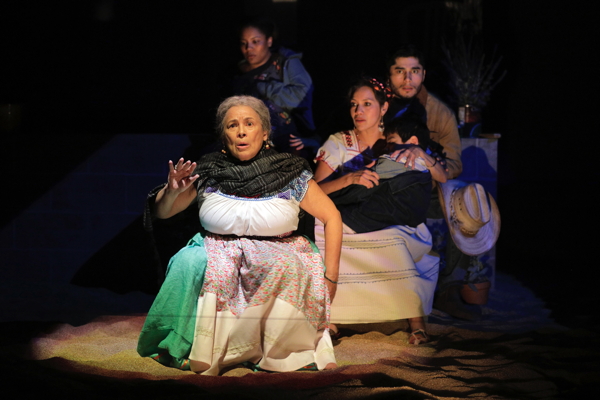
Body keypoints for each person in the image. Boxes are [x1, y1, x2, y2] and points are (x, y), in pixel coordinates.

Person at [137, 95, 342, 374]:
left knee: (287, 266)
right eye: (233, 125)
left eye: (249, 123)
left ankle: (284, 352)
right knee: (188, 262)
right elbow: (163, 213)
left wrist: (332, 275)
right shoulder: (208, 170)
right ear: (224, 135)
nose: (242, 131)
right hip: (217, 247)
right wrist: (172, 191)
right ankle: (186, 346)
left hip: (279, 247)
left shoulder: (289, 171)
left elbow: (332, 217)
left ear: (265, 132)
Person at [314, 77, 438, 344]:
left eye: (367, 104)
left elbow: (443, 174)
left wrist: (419, 152)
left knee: (394, 237)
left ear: (383, 108)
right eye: (354, 105)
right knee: (325, 231)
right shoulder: (339, 142)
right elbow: (315, 191)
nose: (358, 111)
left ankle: (416, 320)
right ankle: (334, 319)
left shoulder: (397, 138)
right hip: (352, 214)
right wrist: (348, 178)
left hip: (390, 215)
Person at [384, 45, 480, 320]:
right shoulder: (379, 106)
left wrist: (427, 160)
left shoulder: (439, 112)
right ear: (390, 75)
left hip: (427, 191)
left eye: (414, 71)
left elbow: (454, 163)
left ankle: (450, 290)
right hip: (385, 188)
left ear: (423, 74)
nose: (407, 79)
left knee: (465, 207)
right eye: (400, 71)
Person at [328, 106, 448, 234]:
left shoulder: (399, 159)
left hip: (361, 222)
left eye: (391, 142)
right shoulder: (425, 165)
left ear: (413, 141)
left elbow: (356, 190)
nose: (387, 148)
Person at [233, 18, 321, 158]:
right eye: (244, 43)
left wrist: (263, 87)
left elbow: (300, 96)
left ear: (269, 41)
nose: (248, 48)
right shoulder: (239, 73)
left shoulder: (286, 63)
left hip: (291, 135)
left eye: (255, 41)